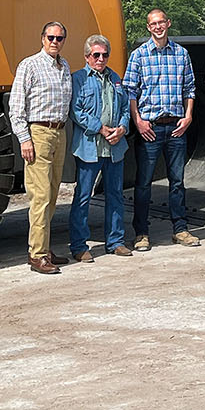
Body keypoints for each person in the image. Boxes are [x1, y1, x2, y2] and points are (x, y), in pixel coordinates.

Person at [125, 8, 199, 250]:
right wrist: (138, 121)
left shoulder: (181, 54)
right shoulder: (139, 56)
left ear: (168, 23)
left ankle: (180, 230)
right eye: (153, 24)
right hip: (150, 129)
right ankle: (141, 233)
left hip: (176, 127)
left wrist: (188, 117)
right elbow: (130, 91)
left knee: (177, 181)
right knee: (144, 183)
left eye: (161, 22)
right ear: (148, 27)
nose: (158, 27)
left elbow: (190, 88)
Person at [9, 20, 74, 274]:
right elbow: (17, 106)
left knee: (54, 193)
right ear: (42, 38)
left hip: (59, 132)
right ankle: (36, 255)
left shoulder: (64, 66)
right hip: (39, 132)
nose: (55, 42)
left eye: (59, 38)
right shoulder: (29, 65)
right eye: (51, 37)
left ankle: (45, 248)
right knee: (40, 196)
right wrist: (24, 139)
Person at [68, 34, 133, 261]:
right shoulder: (78, 79)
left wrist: (122, 128)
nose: (101, 58)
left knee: (115, 195)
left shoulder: (115, 79)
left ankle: (115, 241)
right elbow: (75, 110)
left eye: (105, 55)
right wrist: (100, 128)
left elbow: (125, 108)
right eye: (96, 55)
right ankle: (79, 246)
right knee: (83, 197)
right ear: (87, 57)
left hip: (114, 148)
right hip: (89, 147)